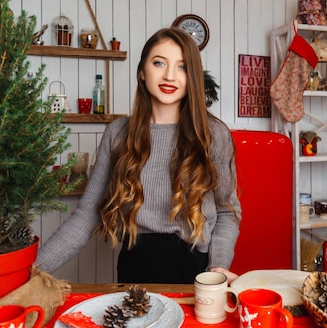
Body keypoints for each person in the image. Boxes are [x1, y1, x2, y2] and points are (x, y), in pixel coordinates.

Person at [36, 27, 241, 284]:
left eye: (182, 66)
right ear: (142, 72)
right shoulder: (118, 133)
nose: (169, 76)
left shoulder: (213, 134)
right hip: (134, 267)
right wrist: (31, 272)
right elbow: (86, 215)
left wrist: (218, 266)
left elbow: (227, 212)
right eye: (159, 63)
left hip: (196, 272)